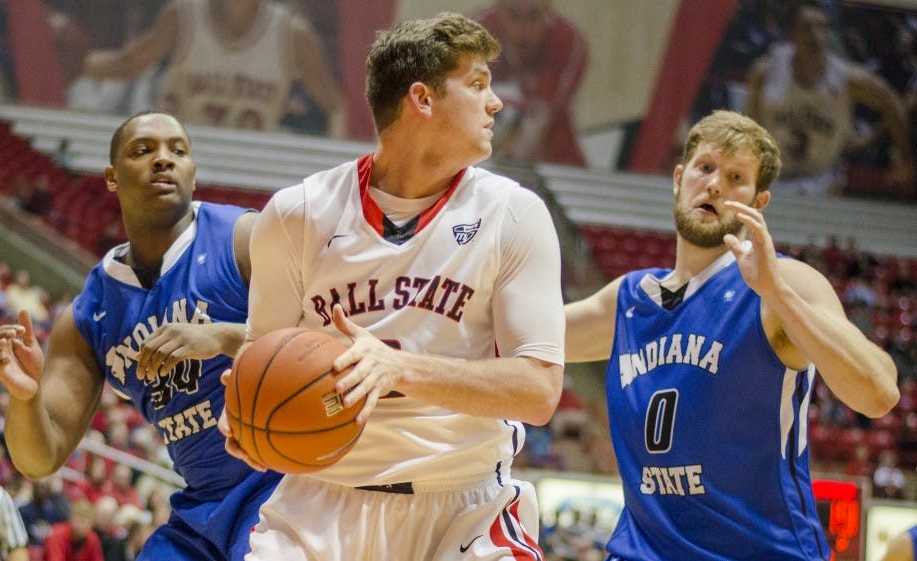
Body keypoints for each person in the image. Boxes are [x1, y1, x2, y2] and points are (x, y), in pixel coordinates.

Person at [220, 12, 565, 560]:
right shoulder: (298, 213)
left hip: (465, 504)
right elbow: (262, 360)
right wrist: (245, 417)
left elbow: (539, 390)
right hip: (320, 501)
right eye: (477, 84)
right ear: (422, 100)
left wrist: (398, 368)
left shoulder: (514, 214)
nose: (496, 102)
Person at [563, 109, 899, 560]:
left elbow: (879, 392)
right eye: (705, 168)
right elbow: (520, 334)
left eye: (736, 177)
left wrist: (777, 292)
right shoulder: (630, 299)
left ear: (758, 203)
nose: (715, 184)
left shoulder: (782, 284)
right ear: (679, 178)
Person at [0, 111, 282, 561]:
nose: (163, 160)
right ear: (112, 177)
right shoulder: (91, 312)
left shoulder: (243, 238)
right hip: (202, 508)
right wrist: (25, 398)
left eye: (177, 151)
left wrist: (226, 338)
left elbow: (322, 348)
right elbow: (38, 460)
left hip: (283, 485)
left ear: (193, 173)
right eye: (143, 150)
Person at [81, 0, 344, 136]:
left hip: (248, 169)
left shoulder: (293, 34)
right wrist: (69, 64)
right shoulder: (182, 16)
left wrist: (340, 177)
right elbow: (127, 64)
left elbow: (335, 108)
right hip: (182, 162)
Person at [745, 0, 913, 196]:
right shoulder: (765, 72)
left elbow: (891, 101)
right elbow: (750, 125)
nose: (816, 35)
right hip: (775, 179)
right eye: (807, 28)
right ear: (791, 35)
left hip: (823, 180)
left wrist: (901, 154)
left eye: (822, 27)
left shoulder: (847, 79)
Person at [474, 0, 589, 166]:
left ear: (547, 12)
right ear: (499, 10)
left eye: (533, 17)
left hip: (553, 159)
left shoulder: (567, 40)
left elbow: (541, 117)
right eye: (514, 15)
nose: (523, 29)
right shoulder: (476, 34)